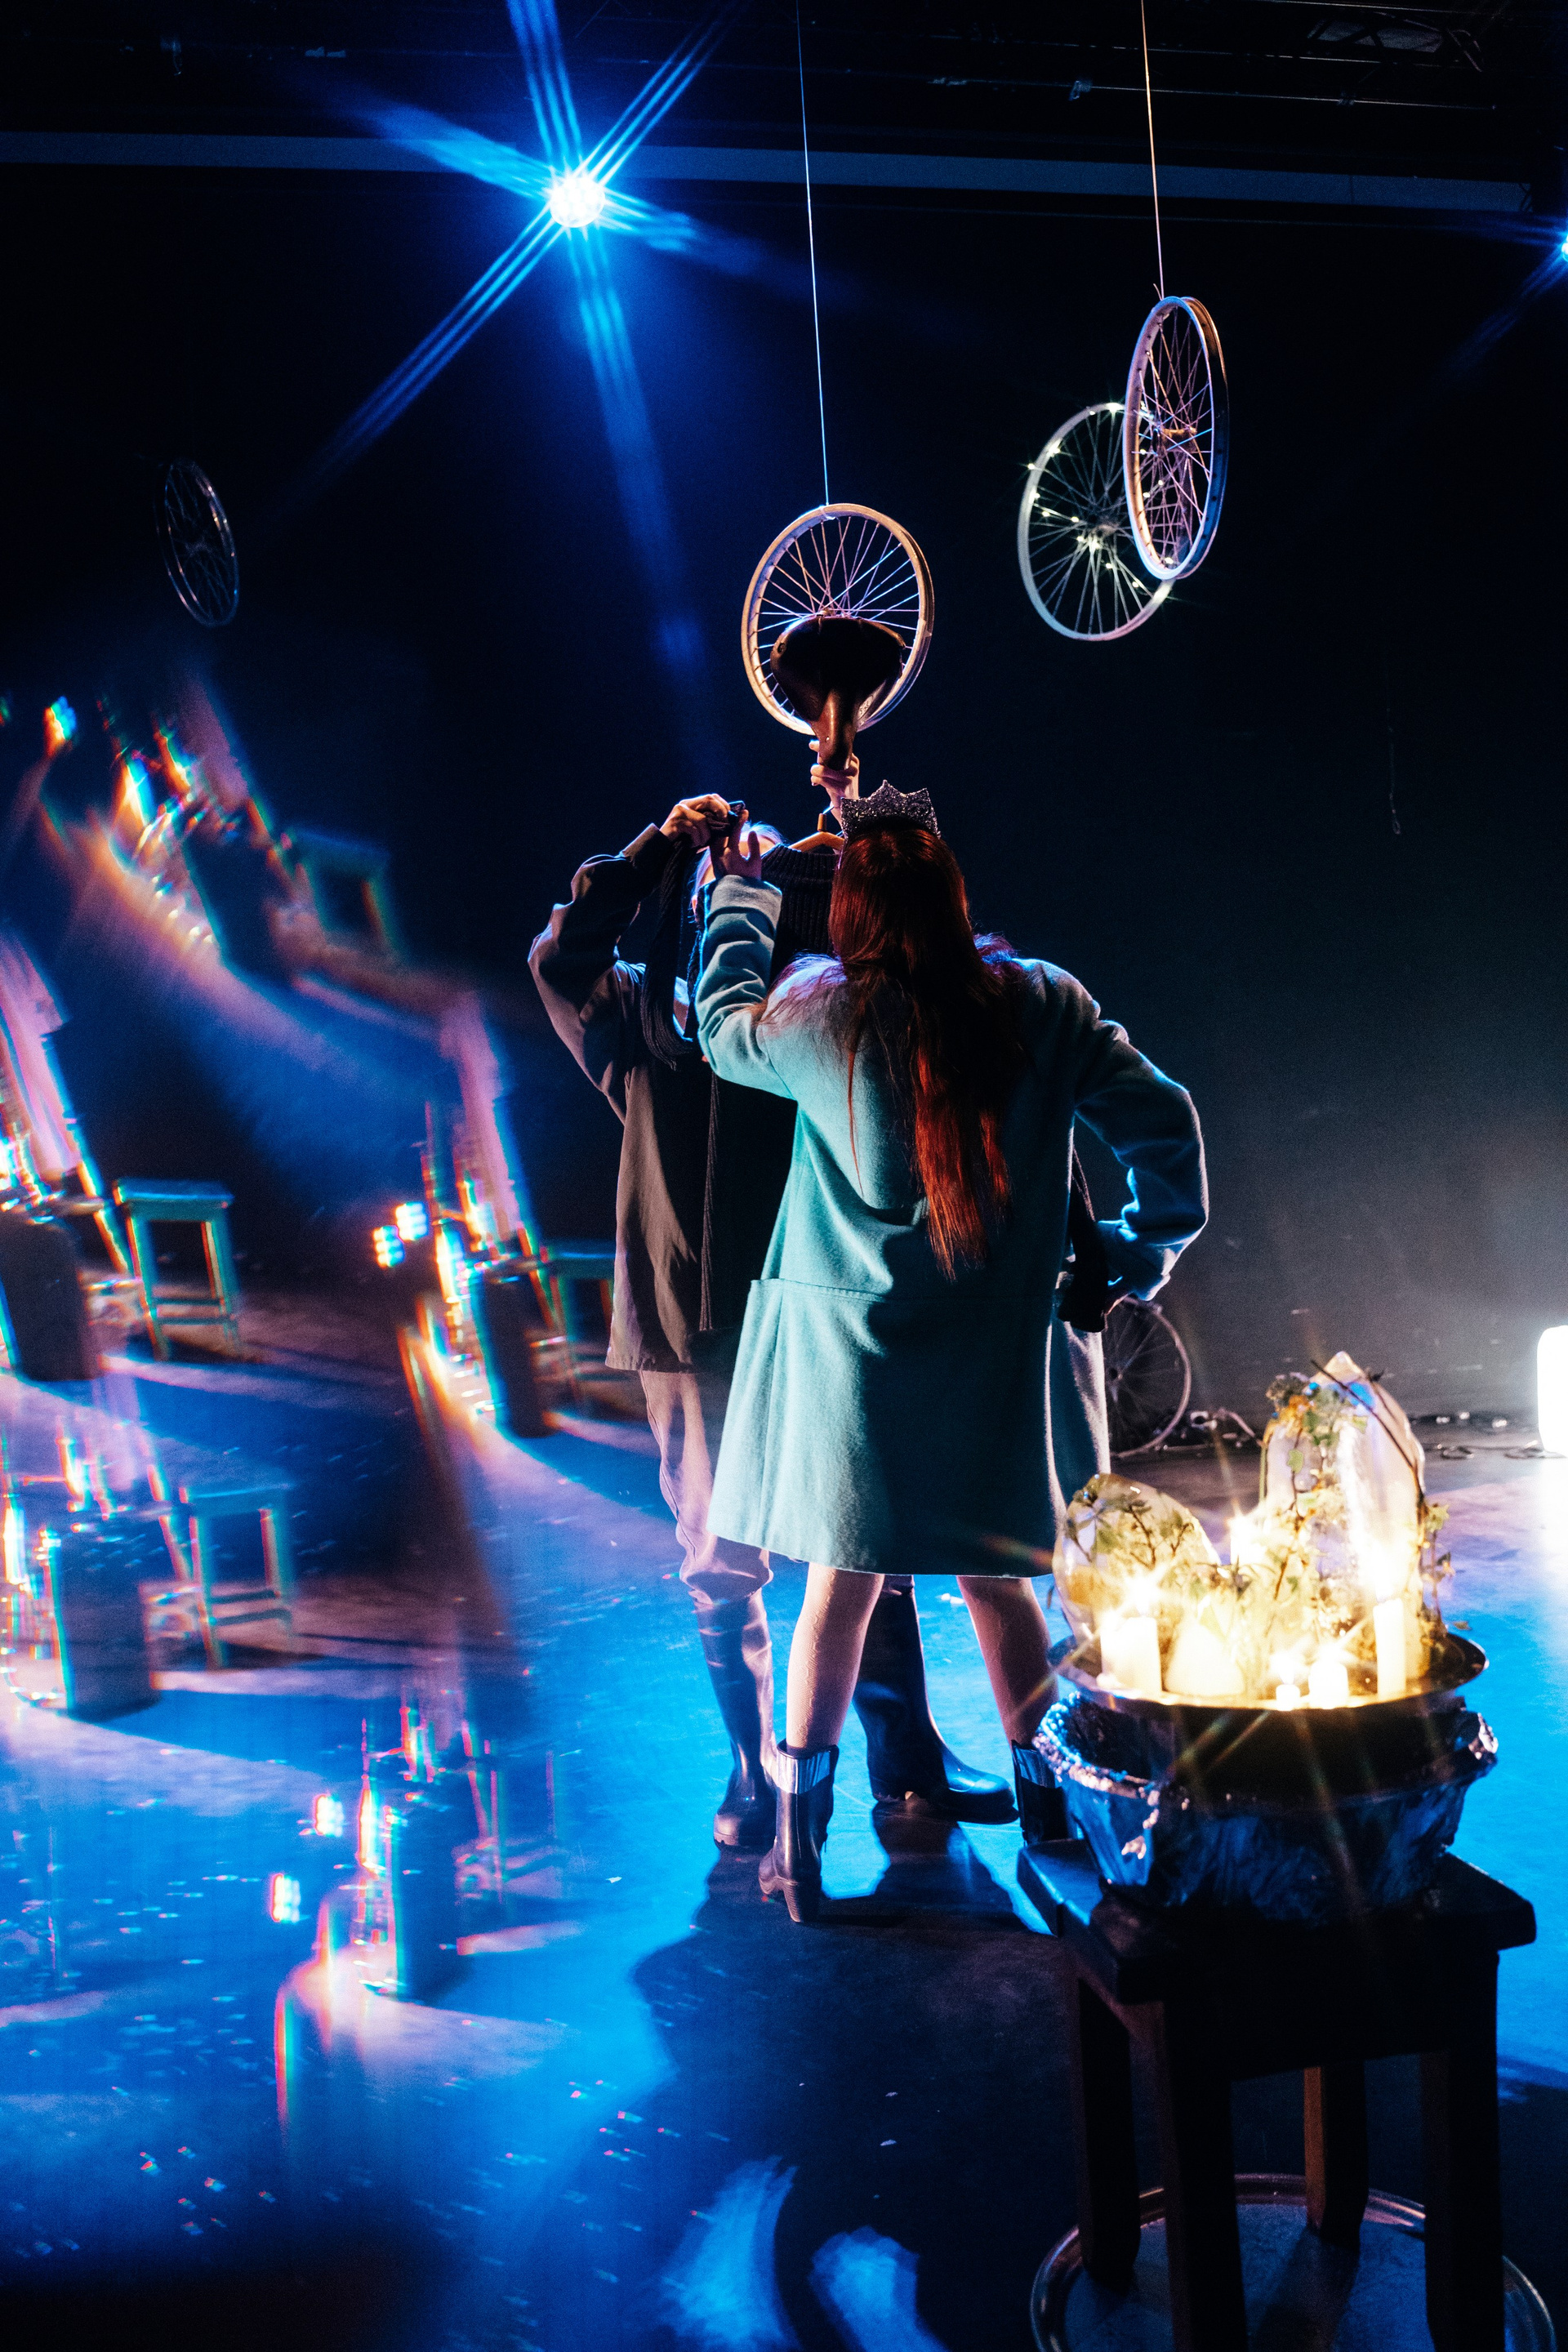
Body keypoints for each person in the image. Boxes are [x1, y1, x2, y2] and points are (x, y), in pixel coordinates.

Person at [696, 785, 1207, 1920]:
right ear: (954, 894)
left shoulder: (812, 1015)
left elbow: (718, 1021)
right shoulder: (1041, 1003)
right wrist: (1134, 1255)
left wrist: (740, 892)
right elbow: (1165, 1125)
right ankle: (1053, 1829)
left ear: (850, 909)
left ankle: (798, 1856)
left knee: (836, 1595)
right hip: (993, 1366)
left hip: (856, 1376)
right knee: (1002, 1586)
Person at [529, 790, 1011, 1855]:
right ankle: (754, 1769)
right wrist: (657, 848)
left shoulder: (801, 1009)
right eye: (723, 886)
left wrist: (836, 846)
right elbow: (560, 954)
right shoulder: (638, 1016)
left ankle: (908, 1761)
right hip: (692, 1324)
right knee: (722, 1556)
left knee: (867, 1537)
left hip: (821, 1309)